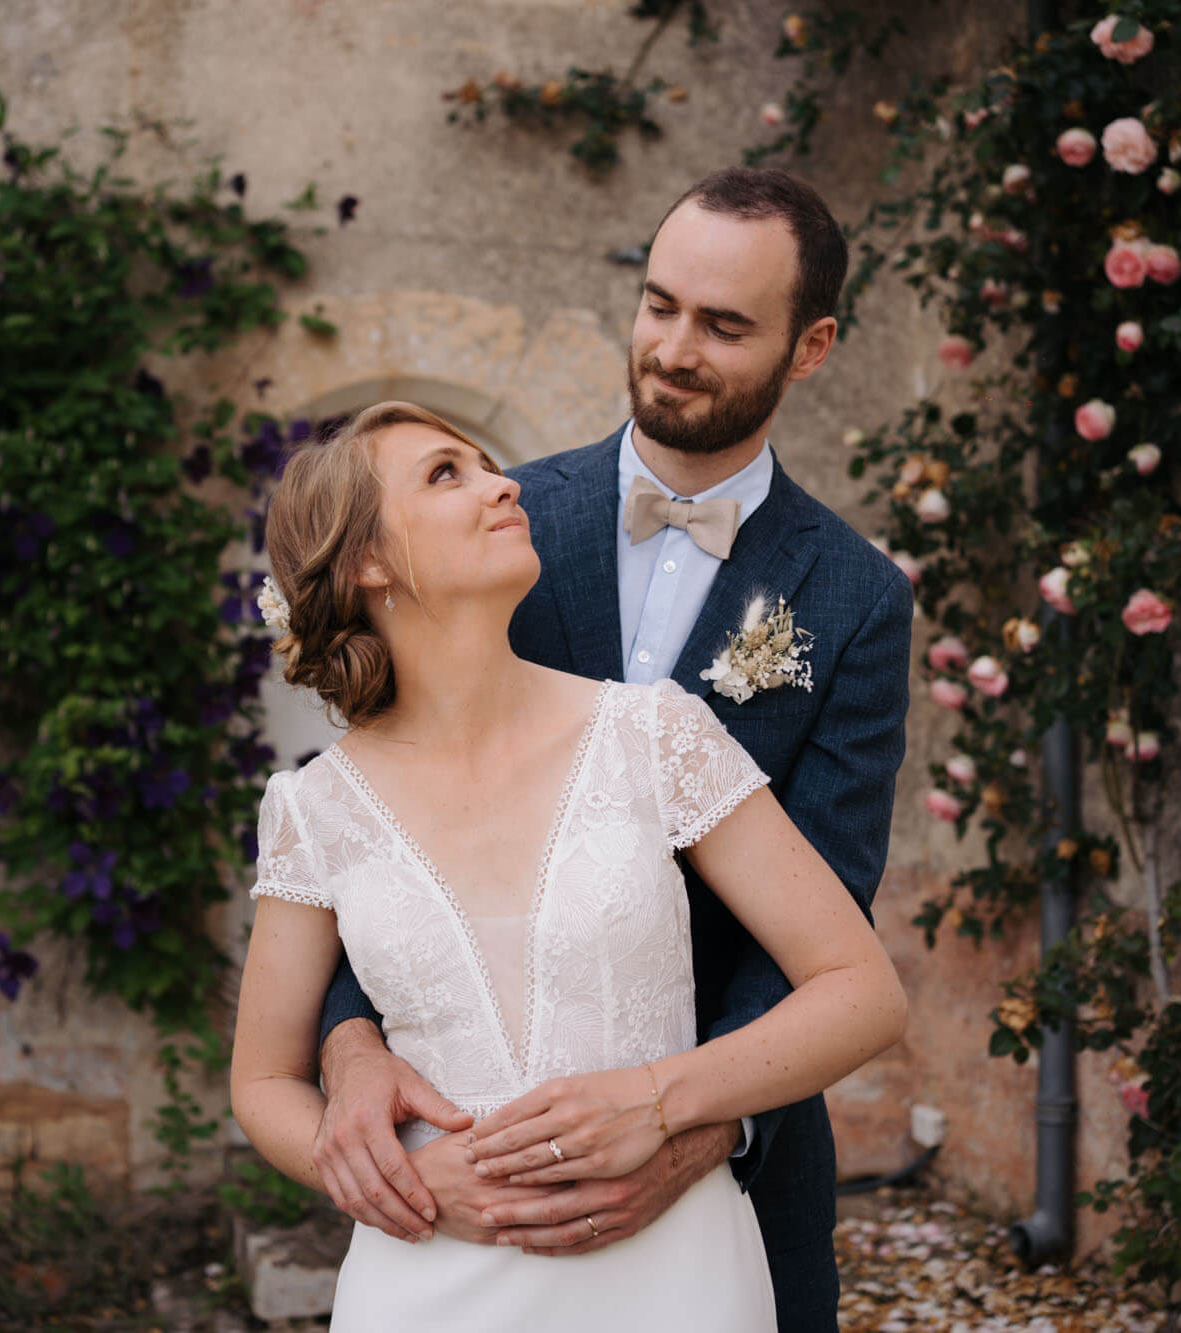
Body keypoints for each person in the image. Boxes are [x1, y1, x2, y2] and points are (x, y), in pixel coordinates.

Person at [301, 167, 916, 1332]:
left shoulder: (852, 598)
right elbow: (370, 834)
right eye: (658, 305)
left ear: (811, 346)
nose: (674, 349)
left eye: (724, 325)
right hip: (476, 1172)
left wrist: (688, 1125)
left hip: (730, 1167)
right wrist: (346, 1047)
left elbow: (827, 909)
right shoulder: (483, 527)